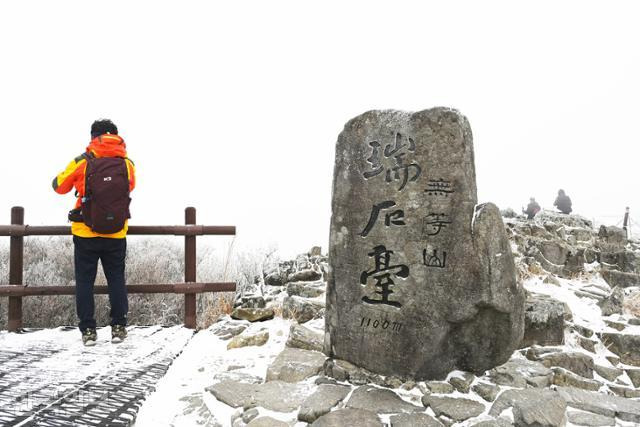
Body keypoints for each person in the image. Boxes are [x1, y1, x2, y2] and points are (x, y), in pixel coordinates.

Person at [52, 119, 136, 346]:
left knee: (85, 281)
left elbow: (59, 186)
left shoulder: (83, 161)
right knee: (116, 279)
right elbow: (131, 186)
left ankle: (88, 331)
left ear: (92, 137)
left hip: (85, 232)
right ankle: (118, 328)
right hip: (116, 232)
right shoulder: (127, 164)